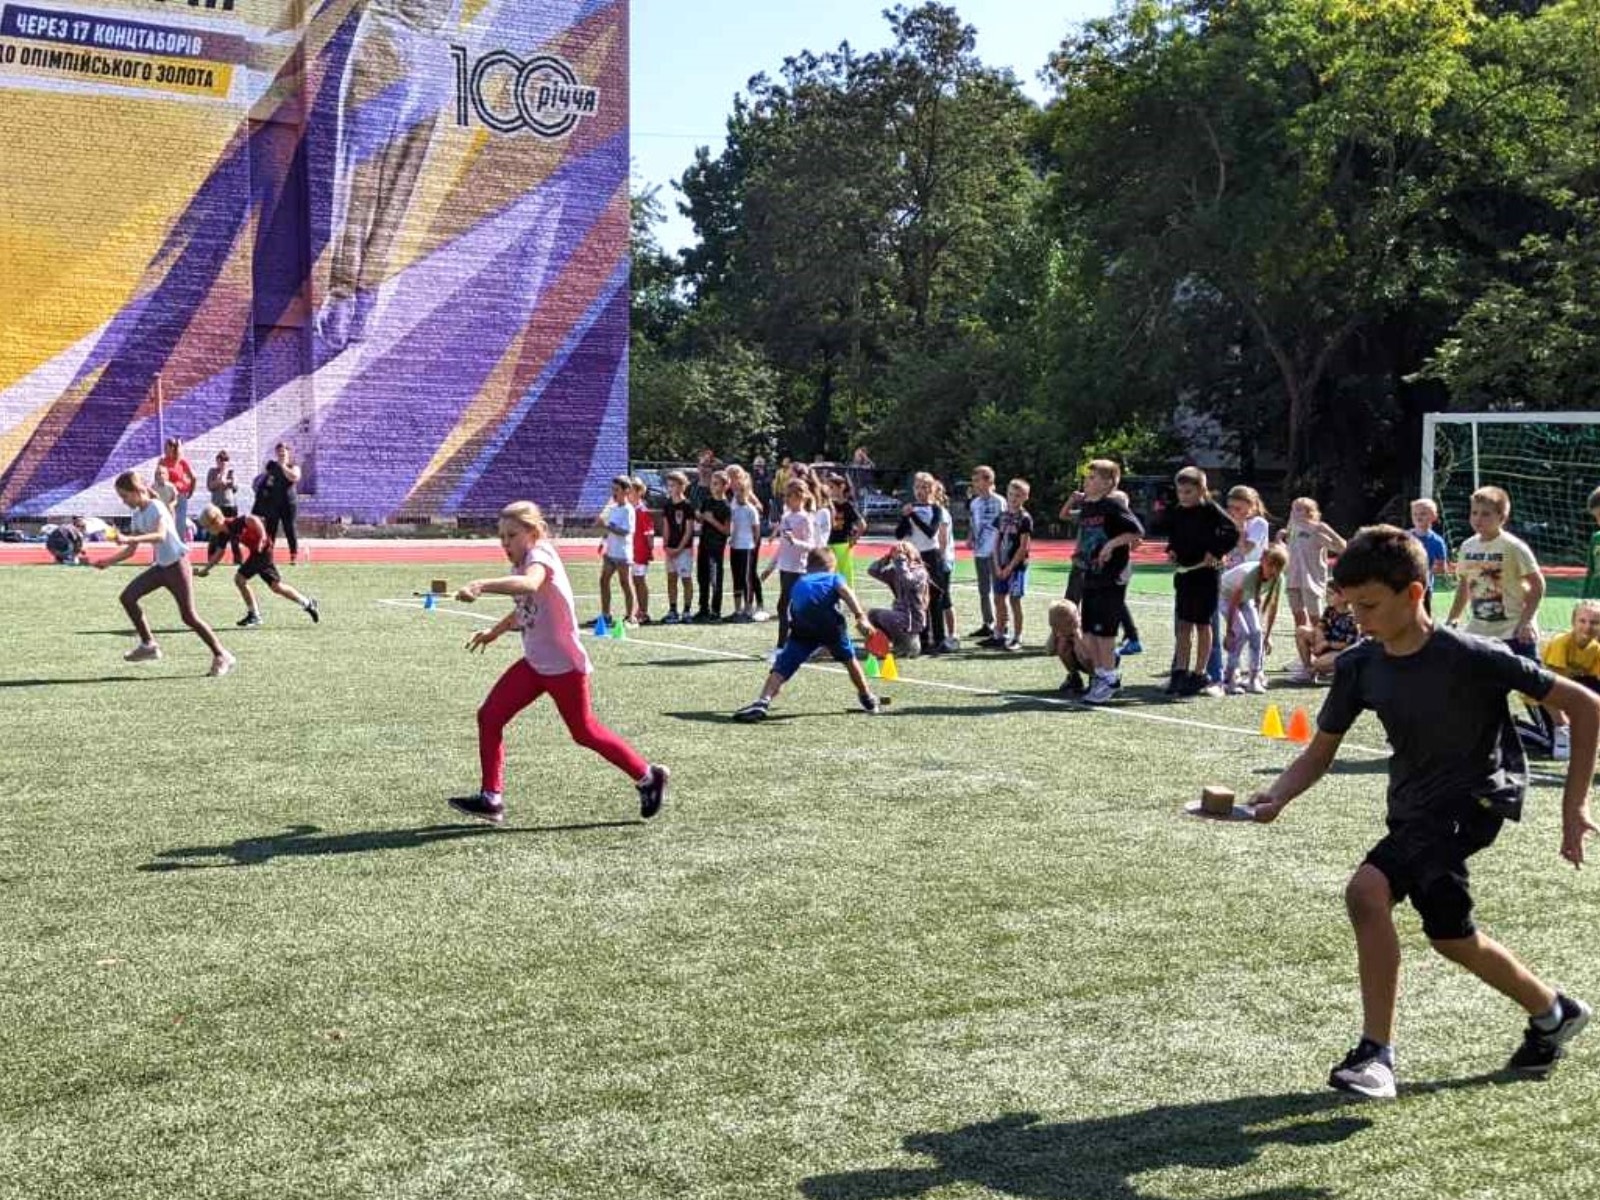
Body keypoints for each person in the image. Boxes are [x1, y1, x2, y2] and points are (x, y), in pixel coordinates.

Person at [1248, 525, 1600, 1100]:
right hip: (1414, 808)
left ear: (1414, 594)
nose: (1358, 618)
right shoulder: (1360, 665)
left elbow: (1585, 706)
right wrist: (1277, 795)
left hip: (1475, 801)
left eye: (1369, 606)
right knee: (1451, 936)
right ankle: (1553, 1012)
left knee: (1367, 891)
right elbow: (1318, 752)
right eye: (1351, 605)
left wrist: (1574, 805)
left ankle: (1375, 1055)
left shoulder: (1474, 656)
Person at [451, 501, 669, 824]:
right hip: (536, 664)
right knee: (490, 716)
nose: (505, 543)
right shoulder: (520, 565)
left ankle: (648, 776)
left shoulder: (540, 556)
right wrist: (494, 632)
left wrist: (480, 584)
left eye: (512, 535)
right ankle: (491, 798)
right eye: (501, 536)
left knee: (584, 732)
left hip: (564, 667)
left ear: (534, 533)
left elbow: (530, 585)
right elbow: (525, 608)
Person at [92, 469, 234, 676]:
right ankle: (148, 645)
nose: (123, 501)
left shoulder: (156, 506)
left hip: (178, 565)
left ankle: (222, 655)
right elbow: (131, 550)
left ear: (137, 491)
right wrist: (108, 561)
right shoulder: (137, 515)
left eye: (125, 496)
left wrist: (129, 538)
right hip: (161, 567)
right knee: (128, 598)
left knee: (189, 616)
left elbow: (160, 535)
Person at [734, 548, 882, 721]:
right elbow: (845, 591)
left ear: (808, 566)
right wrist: (860, 616)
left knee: (782, 667)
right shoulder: (833, 578)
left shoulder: (800, 581)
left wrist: (791, 634)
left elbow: (791, 609)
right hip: (829, 626)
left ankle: (762, 701)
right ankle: (867, 697)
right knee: (849, 660)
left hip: (802, 627)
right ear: (831, 566)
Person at [1071, 461, 1144, 704]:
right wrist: (1080, 554)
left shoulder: (1113, 505)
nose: (1086, 481)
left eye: (1093, 478)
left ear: (1108, 483)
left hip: (1111, 577)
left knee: (1105, 634)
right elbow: (1086, 537)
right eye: (1087, 477)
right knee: (1089, 633)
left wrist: (1112, 544)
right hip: (1091, 575)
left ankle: (1109, 678)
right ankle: (1101, 675)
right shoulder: (1087, 507)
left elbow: (1136, 531)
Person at [1165, 466, 1238, 697]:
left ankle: (1200, 673)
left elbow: (1232, 532)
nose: (1183, 496)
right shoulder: (1178, 511)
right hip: (1185, 574)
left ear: (1201, 490)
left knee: (1203, 624)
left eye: (1188, 492)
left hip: (1205, 575)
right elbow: (1174, 535)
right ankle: (1180, 671)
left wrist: (1215, 552)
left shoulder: (1210, 510)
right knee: (1183, 624)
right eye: (1180, 491)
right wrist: (1172, 550)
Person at [1446, 486, 1544, 659]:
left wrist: (1527, 621)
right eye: (1474, 513)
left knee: (1528, 676)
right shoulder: (1467, 546)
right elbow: (1464, 585)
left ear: (1502, 517)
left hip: (1514, 632)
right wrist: (1453, 618)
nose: (1478, 518)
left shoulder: (1514, 547)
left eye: (1486, 514)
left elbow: (1537, 585)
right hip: (1479, 632)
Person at [196, 506, 320, 627]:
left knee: (239, 579)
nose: (207, 530)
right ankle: (308, 603)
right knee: (276, 587)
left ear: (215, 522)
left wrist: (262, 537)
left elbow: (253, 519)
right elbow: (219, 553)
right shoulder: (223, 533)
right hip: (258, 553)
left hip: (263, 552)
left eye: (207, 527)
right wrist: (205, 570)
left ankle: (254, 615)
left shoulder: (233, 523)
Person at [897, 473, 955, 655]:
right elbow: (900, 534)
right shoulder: (909, 508)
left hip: (932, 556)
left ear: (931, 489)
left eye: (924, 487)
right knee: (917, 599)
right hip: (914, 556)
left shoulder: (936, 509)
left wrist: (912, 515)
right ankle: (923, 639)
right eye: (917, 487)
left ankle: (939, 639)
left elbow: (930, 532)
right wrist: (905, 517)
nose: (920, 491)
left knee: (935, 599)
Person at [1221, 543, 1287, 694]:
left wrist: (1268, 635)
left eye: (1278, 566)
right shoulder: (1249, 574)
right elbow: (1233, 603)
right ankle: (1229, 678)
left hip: (1245, 599)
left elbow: (1273, 608)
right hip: (1225, 597)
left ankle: (1254, 679)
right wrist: (1229, 631)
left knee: (1257, 633)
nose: (1273, 570)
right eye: (1270, 565)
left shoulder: (1279, 579)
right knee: (1241, 633)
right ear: (1262, 561)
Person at [1542, 601, 1600, 761]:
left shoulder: (1596, 648)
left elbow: (1594, 685)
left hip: (1570, 692)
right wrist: (1563, 720)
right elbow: (1553, 684)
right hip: (1543, 697)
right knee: (1547, 741)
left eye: (1594, 623)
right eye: (1582, 621)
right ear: (1573, 622)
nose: (1588, 627)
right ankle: (1520, 729)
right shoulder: (1561, 643)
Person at [763, 478, 818, 649]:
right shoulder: (786, 516)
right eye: (785, 496)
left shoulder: (805, 519)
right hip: (785, 568)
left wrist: (795, 541)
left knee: (786, 606)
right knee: (785, 607)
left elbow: (811, 545)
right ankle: (786, 644)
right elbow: (782, 545)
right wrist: (770, 567)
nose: (786, 499)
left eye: (789, 496)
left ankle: (785, 645)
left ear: (800, 497)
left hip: (798, 569)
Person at [1284, 497, 1347, 633]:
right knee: (1298, 617)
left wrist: (1328, 530)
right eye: (1293, 509)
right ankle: (1303, 645)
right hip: (1293, 578)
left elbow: (1342, 547)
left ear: (1309, 512)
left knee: (1316, 619)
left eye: (1298, 509)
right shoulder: (1292, 529)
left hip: (1311, 580)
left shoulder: (1317, 530)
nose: (1294, 512)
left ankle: (1322, 644)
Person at [985, 479, 1034, 651]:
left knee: (1014, 601)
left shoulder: (1025, 519)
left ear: (1025, 497)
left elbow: (1023, 547)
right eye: (1011, 494)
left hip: (1017, 568)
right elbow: (996, 541)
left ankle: (1017, 637)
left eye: (1018, 495)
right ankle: (999, 633)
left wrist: (1010, 568)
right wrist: (997, 565)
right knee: (998, 599)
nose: (1013, 498)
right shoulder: (1002, 516)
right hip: (1001, 564)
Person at [866, 541, 930, 659]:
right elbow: (872, 571)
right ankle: (892, 645)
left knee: (883, 616)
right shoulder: (896, 572)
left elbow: (907, 581)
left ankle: (910, 646)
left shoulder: (920, 572)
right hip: (900, 614)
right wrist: (885, 559)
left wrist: (901, 561)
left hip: (913, 618)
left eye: (900, 554)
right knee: (872, 615)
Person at [1289, 585, 1358, 684]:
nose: (1327, 596)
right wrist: (1319, 639)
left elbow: (1349, 645)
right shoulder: (1330, 610)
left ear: (1344, 597)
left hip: (1342, 652)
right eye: (1326, 593)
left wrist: (1326, 644)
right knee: (1301, 631)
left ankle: (1328, 672)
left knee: (1318, 663)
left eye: (1331, 593)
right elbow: (1320, 626)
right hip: (1327, 646)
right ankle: (1308, 671)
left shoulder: (1352, 618)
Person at [966, 466, 1004, 641]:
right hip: (979, 552)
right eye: (973, 481)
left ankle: (1002, 624)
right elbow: (973, 523)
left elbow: (1004, 525)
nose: (974, 484)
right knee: (983, 590)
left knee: (998, 590)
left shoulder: (1000, 501)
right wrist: (970, 537)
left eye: (977, 480)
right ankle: (987, 623)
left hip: (995, 553)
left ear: (988, 481)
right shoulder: (974, 503)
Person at [254, 443, 303, 565]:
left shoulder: (293, 466)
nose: (281, 453)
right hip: (273, 503)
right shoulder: (271, 466)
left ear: (288, 453)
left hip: (289, 503)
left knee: (289, 528)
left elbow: (294, 477)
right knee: (270, 530)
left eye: (283, 451)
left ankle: (293, 555)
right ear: (276, 453)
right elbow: (266, 481)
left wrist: (283, 466)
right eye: (279, 451)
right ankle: (268, 556)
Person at [596, 475, 636, 627]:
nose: (614, 492)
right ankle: (606, 614)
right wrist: (603, 541)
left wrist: (606, 526)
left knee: (625, 583)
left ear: (626, 491)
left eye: (617, 489)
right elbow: (610, 528)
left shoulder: (628, 510)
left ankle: (630, 617)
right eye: (613, 489)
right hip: (611, 552)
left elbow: (625, 531)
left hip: (622, 554)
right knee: (603, 580)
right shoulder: (613, 508)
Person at [694, 470, 732, 622]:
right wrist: (698, 516)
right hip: (703, 544)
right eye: (712, 483)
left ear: (725, 486)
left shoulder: (726, 506)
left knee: (715, 579)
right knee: (702, 577)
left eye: (716, 484)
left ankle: (716, 610)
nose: (712, 486)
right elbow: (700, 517)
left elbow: (727, 530)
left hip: (716, 548)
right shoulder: (707, 501)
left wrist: (712, 520)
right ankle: (703, 608)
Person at [660, 471, 695, 624]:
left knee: (686, 579)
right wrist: (666, 546)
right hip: (670, 549)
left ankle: (687, 611)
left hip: (684, 549)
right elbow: (666, 527)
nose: (670, 488)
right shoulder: (667, 505)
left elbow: (689, 530)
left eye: (673, 485)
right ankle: (673, 610)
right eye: (669, 485)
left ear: (682, 486)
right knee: (671, 579)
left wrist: (679, 548)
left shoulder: (687, 505)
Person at [728, 473, 764, 622]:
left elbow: (756, 531)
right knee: (736, 577)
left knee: (747, 578)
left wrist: (752, 545)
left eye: (741, 490)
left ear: (747, 492)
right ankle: (737, 609)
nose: (738, 493)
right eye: (736, 490)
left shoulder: (751, 509)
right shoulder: (732, 507)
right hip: (734, 546)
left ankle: (748, 608)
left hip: (747, 547)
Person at [1409, 498, 1449, 615]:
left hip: (1425, 587)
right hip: (1404, 584)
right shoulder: (1405, 537)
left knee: (1423, 615)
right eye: (1415, 514)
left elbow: (1442, 568)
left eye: (1423, 514)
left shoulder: (1437, 542)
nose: (1418, 517)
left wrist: (1435, 568)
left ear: (1433, 517)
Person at [826, 474, 866, 590]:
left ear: (842, 487)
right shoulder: (828, 505)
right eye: (828, 487)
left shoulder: (848, 506)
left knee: (844, 574)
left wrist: (854, 539)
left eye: (832, 487)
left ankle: (849, 595)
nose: (829, 490)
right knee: (829, 572)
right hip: (828, 543)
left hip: (842, 544)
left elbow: (862, 525)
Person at [1047, 598, 1094, 696]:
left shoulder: (1086, 627)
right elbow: (1049, 651)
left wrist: (1077, 635)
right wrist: (1054, 633)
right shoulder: (1061, 630)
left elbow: (1087, 655)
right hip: (1085, 662)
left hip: (1104, 662)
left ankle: (1096, 679)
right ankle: (1074, 678)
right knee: (1062, 645)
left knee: (1078, 648)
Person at [207, 452, 241, 564]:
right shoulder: (212, 472)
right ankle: (212, 557)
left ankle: (237, 558)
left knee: (234, 534)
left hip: (230, 506)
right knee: (215, 533)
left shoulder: (231, 472)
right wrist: (219, 479)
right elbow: (210, 486)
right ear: (217, 461)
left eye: (225, 461)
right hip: (216, 507)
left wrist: (227, 480)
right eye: (220, 460)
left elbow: (235, 487)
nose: (222, 463)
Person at [160, 437, 197, 542]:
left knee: (179, 522)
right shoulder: (163, 461)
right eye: (165, 448)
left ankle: (179, 547)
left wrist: (191, 491)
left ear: (173, 448)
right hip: (167, 495)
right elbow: (158, 476)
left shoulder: (182, 461)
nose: (165, 450)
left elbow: (194, 477)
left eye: (167, 448)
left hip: (180, 495)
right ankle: (164, 546)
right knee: (165, 521)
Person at [629, 477, 655, 625]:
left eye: (631, 491)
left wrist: (649, 551)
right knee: (633, 581)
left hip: (640, 552)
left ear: (639, 492)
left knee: (639, 581)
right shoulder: (629, 509)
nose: (628, 494)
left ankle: (644, 612)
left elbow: (649, 533)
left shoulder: (642, 511)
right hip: (630, 552)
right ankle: (635, 611)